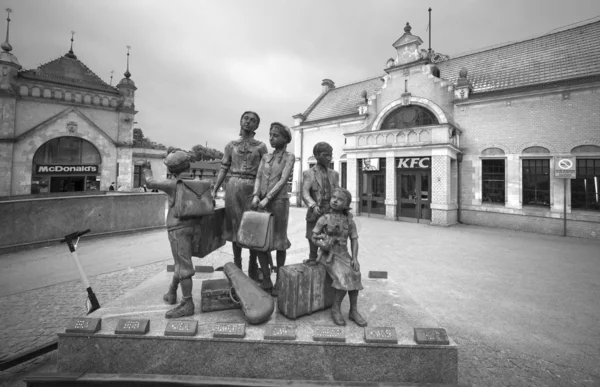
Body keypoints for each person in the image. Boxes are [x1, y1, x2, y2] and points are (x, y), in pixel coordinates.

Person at [142, 150, 200, 318]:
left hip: (178, 228)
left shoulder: (174, 183)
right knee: (181, 261)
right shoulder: (198, 182)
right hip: (194, 227)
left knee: (183, 265)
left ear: (173, 169)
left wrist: (147, 169)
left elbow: (150, 183)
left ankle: (187, 303)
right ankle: (172, 292)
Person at [212, 111, 268, 280]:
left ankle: (252, 264)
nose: (248, 122)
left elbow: (264, 171)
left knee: (251, 226)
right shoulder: (231, 145)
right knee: (235, 227)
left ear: (257, 126)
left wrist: (262, 193)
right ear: (240, 121)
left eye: (252, 120)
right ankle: (237, 265)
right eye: (245, 119)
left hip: (252, 188)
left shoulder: (261, 146)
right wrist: (215, 189)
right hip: (234, 187)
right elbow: (224, 167)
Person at [311, 187, 367, 327]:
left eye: (340, 199)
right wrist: (322, 245)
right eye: (334, 197)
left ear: (346, 204)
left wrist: (354, 258)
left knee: (355, 273)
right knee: (344, 275)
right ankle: (335, 309)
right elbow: (313, 237)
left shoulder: (349, 221)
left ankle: (353, 311)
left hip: (343, 254)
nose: (335, 201)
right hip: (327, 255)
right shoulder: (324, 218)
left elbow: (354, 239)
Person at [250, 122, 294, 294]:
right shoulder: (265, 157)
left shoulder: (289, 157)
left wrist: (268, 197)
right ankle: (266, 279)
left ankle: (280, 280)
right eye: (270, 134)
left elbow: (283, 180)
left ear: (285, 139)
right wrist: (255, 195)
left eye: (276, 135)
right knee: (262, 242)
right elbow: (258, 177)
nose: (272, 138)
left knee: (280, 241)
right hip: (261, 203)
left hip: (279, 203)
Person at [301, 142, 338, 265]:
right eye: (325, 155)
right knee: (312, 234)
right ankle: (312, 256)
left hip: (331, 211)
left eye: (331, 155)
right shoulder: (309, 173)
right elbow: (305, 193)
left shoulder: (334, 174)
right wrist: (312, 205)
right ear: (316, 155)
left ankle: (326, 257)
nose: (329, 158)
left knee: (329, 234)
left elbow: (337, 192)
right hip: (316, 210)